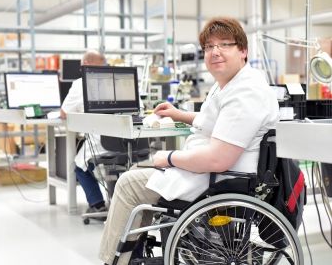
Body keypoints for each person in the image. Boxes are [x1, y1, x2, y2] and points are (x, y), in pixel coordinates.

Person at [99, 17, 280, 264]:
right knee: (139, 173)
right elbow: (214, 120)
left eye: (224, 44)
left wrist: (170, 158)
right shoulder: (233, 83)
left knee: (128, 183)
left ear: (243, 51)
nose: (215, 52)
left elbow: (217, 159)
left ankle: (113, 260)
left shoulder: (246, 93)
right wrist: (177, 114)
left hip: (220, 178)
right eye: (209, 47)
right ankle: (133, 251)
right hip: (215, 172)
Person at [60, 50, 107, 216]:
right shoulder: (115, 81)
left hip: (101, 142)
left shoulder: (80, 83)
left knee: (79, 166)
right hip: (128, 143)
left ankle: (98, 204)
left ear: (85, 64)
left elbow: (64, 113)